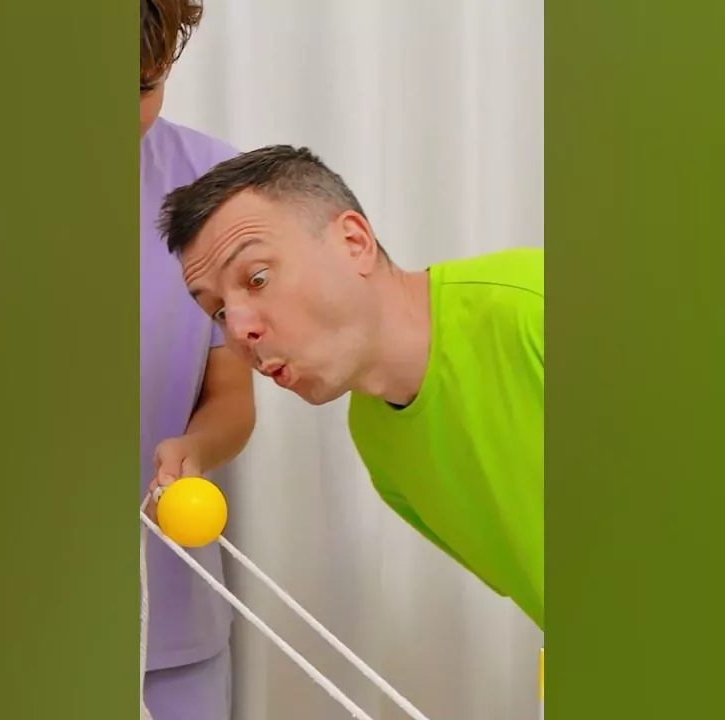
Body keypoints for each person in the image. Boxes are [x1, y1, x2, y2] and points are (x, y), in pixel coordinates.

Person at [155, 145, 545, 631]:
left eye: (257, 279)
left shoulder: (537, 310)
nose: (237, 329)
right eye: (216, 311)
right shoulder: (376, 437)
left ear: (354, 242)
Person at [139, 1, 255, 718]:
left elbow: (230, 398)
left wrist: (196, 449)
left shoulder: (210, 184)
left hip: (172, 623)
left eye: (143, 88)